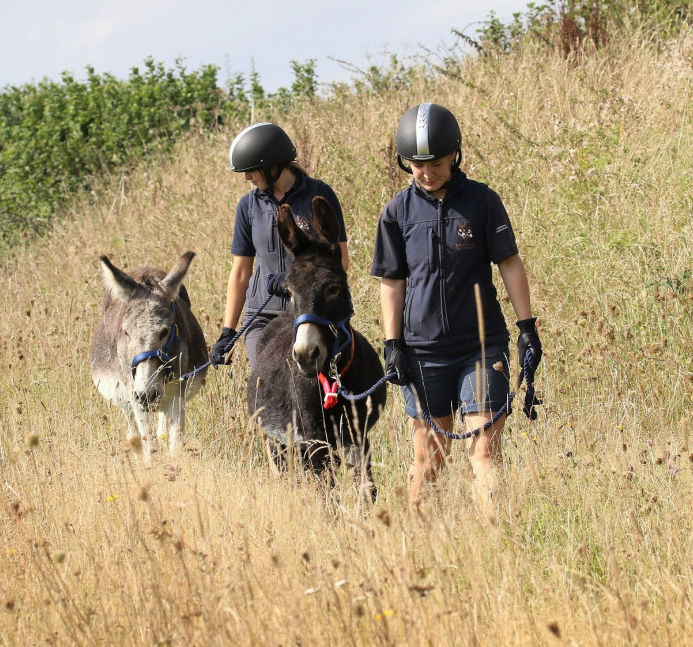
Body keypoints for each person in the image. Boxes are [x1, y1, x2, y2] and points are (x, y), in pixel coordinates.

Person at [369, 102, 542, 511]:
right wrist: (392, 343)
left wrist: (527, 328)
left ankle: (493, 547)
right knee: (430, 461)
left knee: (484, 452)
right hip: (422, 353)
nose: (427, 174)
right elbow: (391, 281)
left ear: (455, 155)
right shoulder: (396, 213)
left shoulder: (482, 202)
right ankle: (417, 549)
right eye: (417, 166)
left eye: (437, 164)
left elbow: (510, 263)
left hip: (481, 349)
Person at [209, 122, 350, 368]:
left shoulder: (319, 194)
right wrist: (228, 331)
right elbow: (241, 273)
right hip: (262, 316)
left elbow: (341, 260)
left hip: (314, 311)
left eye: (252, 169)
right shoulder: (248, 206)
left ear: (272, 166)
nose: (246, 177)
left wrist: (292, 280)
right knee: (266, 384)